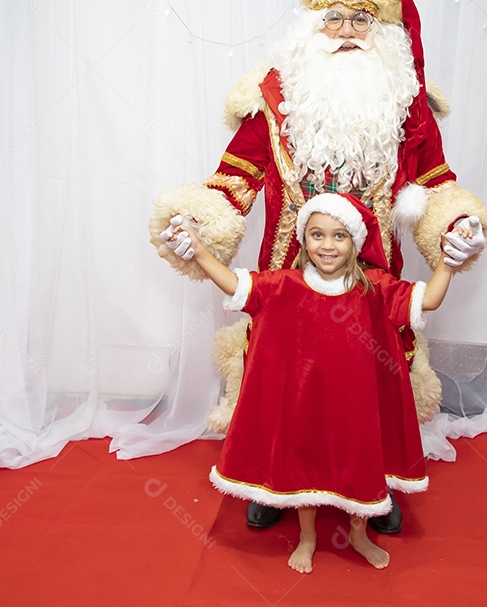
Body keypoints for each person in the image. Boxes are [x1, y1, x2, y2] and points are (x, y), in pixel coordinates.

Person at [150, 0, 487, 532]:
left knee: (371, 378)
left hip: (372, 277)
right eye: (333, 18)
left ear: (385, 33)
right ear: (310, 25)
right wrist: (195, 226)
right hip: (288, 276)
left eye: (362, 20)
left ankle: (376, 480)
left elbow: (437, 182)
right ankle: (274, 479)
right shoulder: (270, 99)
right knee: (283, 377)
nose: (347, 32)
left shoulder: (407, 105)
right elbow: (235, 178)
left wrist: (456, 227)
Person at [165, 193, 471, 573]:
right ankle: (307, 537)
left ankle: (358, 534)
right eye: (317, 234)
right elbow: (234, 284)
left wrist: (448, 263)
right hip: (306, 405)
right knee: (305, 469)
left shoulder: (376, 286)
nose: (327, 245)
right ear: (303, 239)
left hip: (357, 408)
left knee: (361, 466)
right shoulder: (284, 284)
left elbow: (429, 301)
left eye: (339, 235)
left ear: (355, 242)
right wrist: (198, 251)